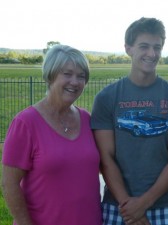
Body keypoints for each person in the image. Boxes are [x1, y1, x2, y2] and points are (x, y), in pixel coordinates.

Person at [91, 17, 168, 225]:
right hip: (118, 205)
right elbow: (106, 157)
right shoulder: (107, 97)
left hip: (165, 205)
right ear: (128, 48)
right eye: (144, 46)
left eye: (157, 47)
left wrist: (143, 204)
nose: (152, 54)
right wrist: (130, 207)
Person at [1, 44, 102, 225]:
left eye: (81, 76)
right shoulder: (25, 123)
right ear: (50, 75)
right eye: (67, 74)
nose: (75, 82)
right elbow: (9, 185)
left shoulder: (87, 120)